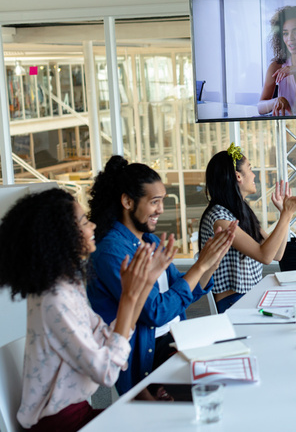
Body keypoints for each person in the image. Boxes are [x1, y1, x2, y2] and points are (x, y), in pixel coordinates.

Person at [0, 189, 168, 431]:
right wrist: (129, 298)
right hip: (61, 425)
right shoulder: (54, 298)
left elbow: (104, 339)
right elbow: (106, 372)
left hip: (76, 414)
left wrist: (144, 286)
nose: (93, 226)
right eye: (84, 221)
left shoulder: (67, 284)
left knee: (163, 416)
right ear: (61, 235)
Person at [87, 156, 235, 394]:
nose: (161, 210)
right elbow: (156, 312)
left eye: (162, 201)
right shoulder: (111, 252)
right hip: (148, 360)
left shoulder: (150, 241)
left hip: (174, 343)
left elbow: (185, 290)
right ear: (127, 201)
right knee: (219, 391)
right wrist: (199, 267)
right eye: (154, 201)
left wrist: (212, 261)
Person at [199, 144, 296, 313]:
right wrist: (287, 214)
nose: (254, 175)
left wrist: (284, 214)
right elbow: (265, 256)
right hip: (233, 303)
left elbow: (277, 254)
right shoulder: (220, 218)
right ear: (238, 176)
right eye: (250, 169)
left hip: (249, 296)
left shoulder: (239, 210)